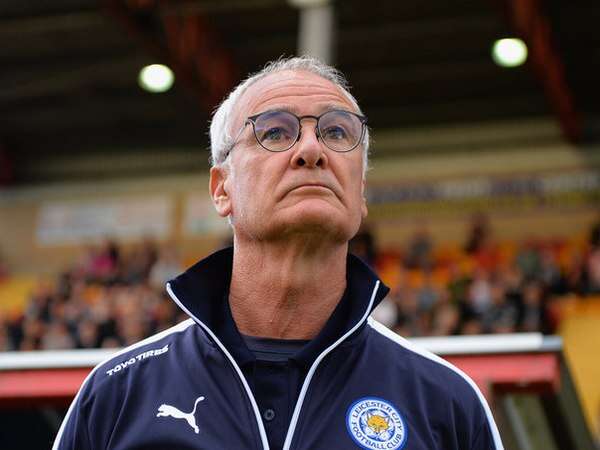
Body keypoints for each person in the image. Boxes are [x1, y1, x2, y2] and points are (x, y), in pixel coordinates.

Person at [53, 56, 503, 450]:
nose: (311, 150)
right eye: (274, 131)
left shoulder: (447, 402)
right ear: (222, 189)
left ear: (361, 192)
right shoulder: (117, 394)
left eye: (337, 132)